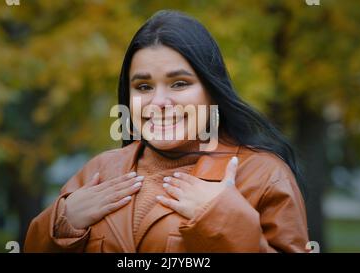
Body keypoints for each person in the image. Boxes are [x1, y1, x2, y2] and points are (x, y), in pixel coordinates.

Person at [24, 10, 309, 253]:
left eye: (179, 84)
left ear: (212, 90)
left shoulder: (264, 175)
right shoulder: (101, 170)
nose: (159, 103)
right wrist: (63, 223)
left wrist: (222, 218)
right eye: (144, 87)